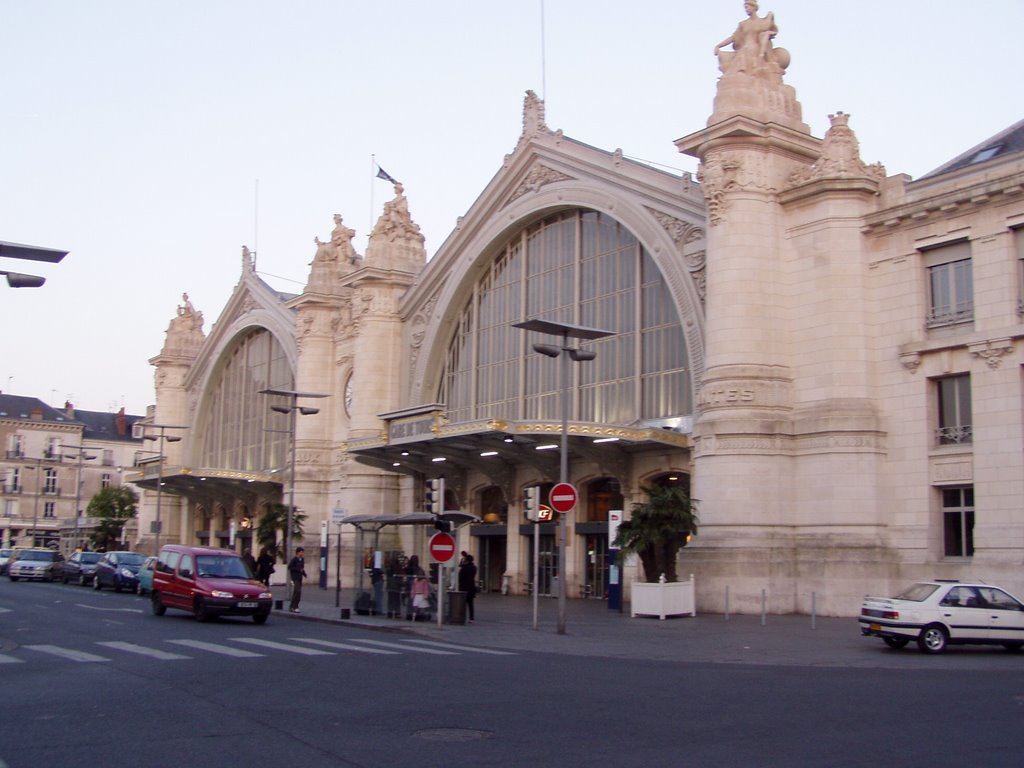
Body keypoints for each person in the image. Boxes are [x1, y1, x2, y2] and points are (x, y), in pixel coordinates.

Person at [713, 0, 780, 77]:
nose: (746, 10)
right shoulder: (743, 24)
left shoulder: (761, 22)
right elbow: (733, 38)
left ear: (754, 7)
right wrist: (718, 46)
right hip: (744, 49)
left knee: (744, 54)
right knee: (729, 56)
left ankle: (743, 71)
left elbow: (769, 29)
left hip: (754, 49)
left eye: (747, 7)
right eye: (745, 8)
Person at [458, 553, 478, 622]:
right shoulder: (474, 568)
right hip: (471, 587)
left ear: (466, 560)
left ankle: (461, 617)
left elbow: (459, 578)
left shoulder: (464, 568)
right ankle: (471, 618)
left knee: (463, 604)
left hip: (464, 587)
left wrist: (462, 564)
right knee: (470, 604)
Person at [288, 547, 307, 613]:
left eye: (303, 552)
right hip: (295, 577)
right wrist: (298, 569)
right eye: (301, 552)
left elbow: (302, 568)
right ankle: (294, 606)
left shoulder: (302, 560)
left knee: (298, 592)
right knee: (297, 591)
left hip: (299, 577)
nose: (302, 553)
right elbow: (290, 567)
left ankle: (294, 606)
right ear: (298, 552)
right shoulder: (294, 559)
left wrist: (304, 574)